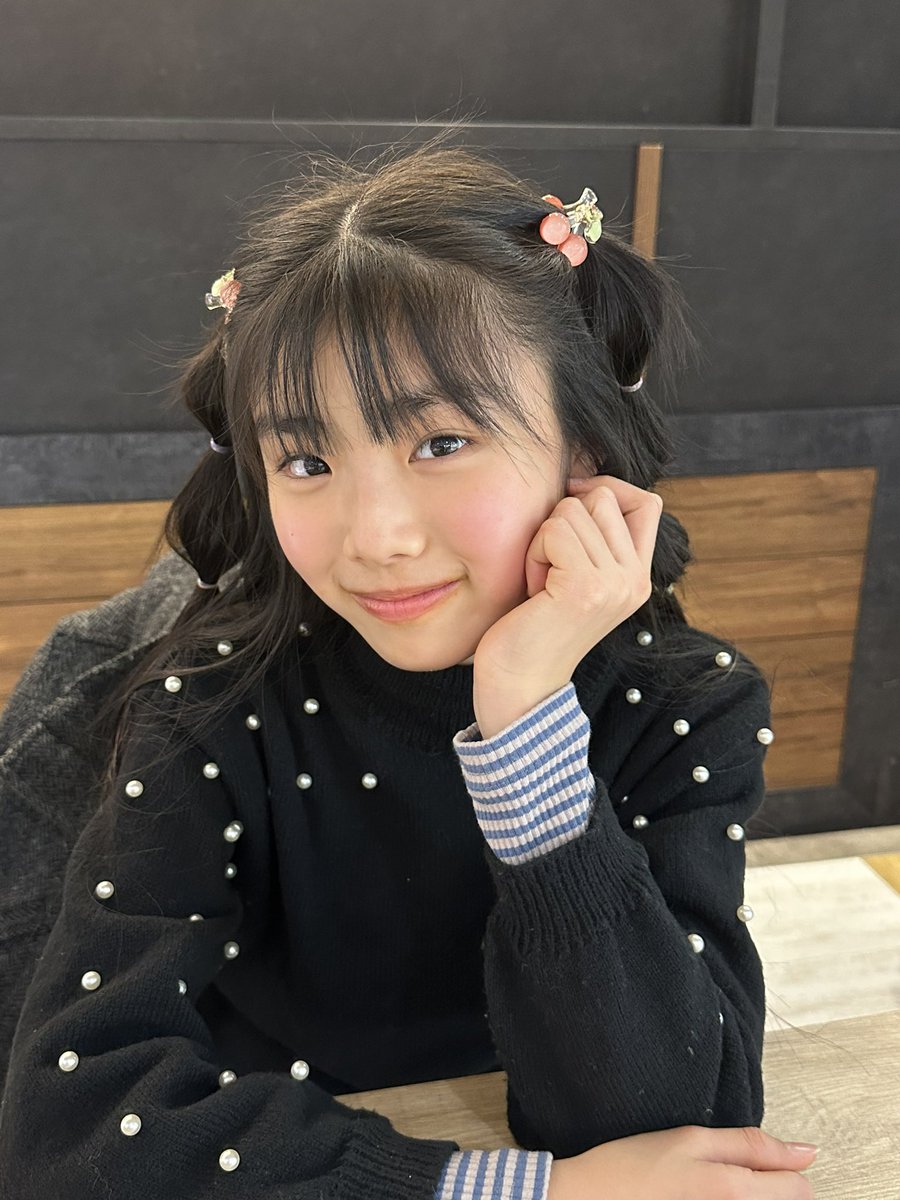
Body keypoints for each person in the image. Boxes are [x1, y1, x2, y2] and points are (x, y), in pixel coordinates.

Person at [0, 129, 819, 1198]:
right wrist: (519, 1191)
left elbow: (676, 1122)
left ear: (582, 446)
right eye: (306, 459)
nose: (376, 536)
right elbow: (69, 1125)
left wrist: (526, 719)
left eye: (441, 442)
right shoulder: (209, 701)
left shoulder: (683, 703)